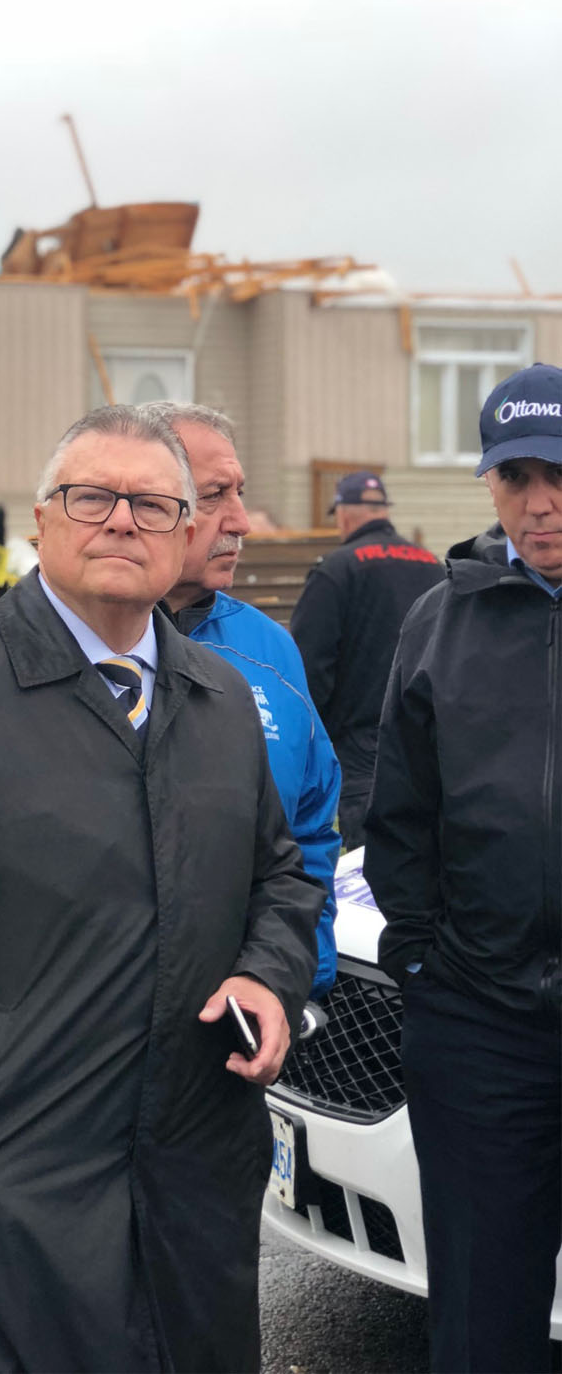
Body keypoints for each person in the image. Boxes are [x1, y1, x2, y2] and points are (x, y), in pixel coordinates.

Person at [0, 404, 326, 1374]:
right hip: (7, 1178)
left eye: (152, 504)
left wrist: (269, 975)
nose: (122, 521)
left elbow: (279, 872)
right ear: (42, 518)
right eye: (92, 497)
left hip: (193, 1172)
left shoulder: (220, 699)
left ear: (185, 530)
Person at [363, 362, 562, 1374]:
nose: (540, 503)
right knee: (483, 1322)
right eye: (516, 477)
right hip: (484, 1028)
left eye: (560, 475)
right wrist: (426, 966)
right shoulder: (438, 622)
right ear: (489, 481)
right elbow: (400, 815)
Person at [149, 402, 341, 997]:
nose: (242, 521)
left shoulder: (270, 649)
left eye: (240, 493)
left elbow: (309, 828)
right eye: (214, 495)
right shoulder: (76, 643)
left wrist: (300, 974)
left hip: (246, 1011)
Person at [288, 468, 443, 847]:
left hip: (362, 754)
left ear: (343, 514)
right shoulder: (434, 567)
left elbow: (309, 668)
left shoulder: (336, 569)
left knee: (371, 867)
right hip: (431, 747)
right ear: (384, 510)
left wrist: (308, 748)